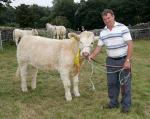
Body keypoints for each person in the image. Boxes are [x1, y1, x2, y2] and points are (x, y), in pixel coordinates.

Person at [88, 9, 133, 113]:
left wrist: (128, 60)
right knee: (112, 84)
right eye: (105, 19)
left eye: (108, 18)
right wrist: (92, 56)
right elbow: (99, 47)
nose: (107, 21)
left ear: (113, 16)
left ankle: (126, 106)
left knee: (125, 84)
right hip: (110, 61)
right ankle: (113, 103)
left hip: (123, 60)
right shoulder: (103, 32)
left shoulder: (123, 28)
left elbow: (130, 44)